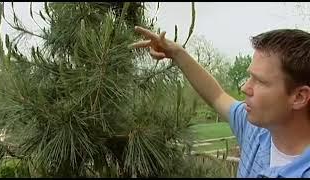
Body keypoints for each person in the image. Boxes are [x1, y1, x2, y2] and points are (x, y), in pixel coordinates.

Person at [130, 26, 310, 178]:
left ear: (299, 97)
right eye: (250, 77)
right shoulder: (255, 131)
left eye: (260, 81)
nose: (245, 88)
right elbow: (217, 96)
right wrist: (177, 53)